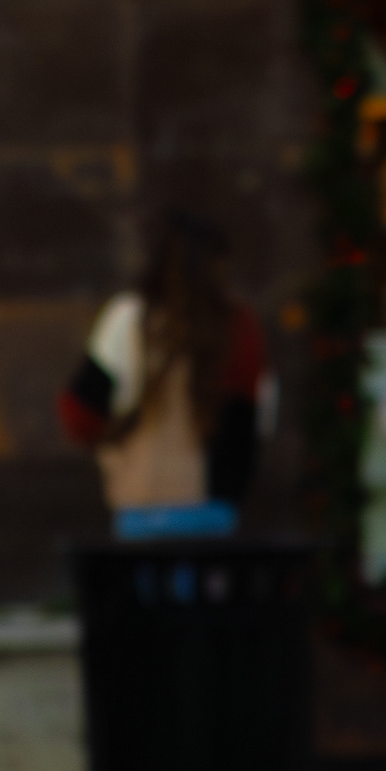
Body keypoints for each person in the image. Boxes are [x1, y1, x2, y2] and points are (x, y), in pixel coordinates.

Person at [58, 211, 269, 538]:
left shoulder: (127, 319)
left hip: (141, 505)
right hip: (213, 512)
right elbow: (252, 421)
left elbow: (80, 413)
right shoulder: (238, 325)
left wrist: (115, 447)